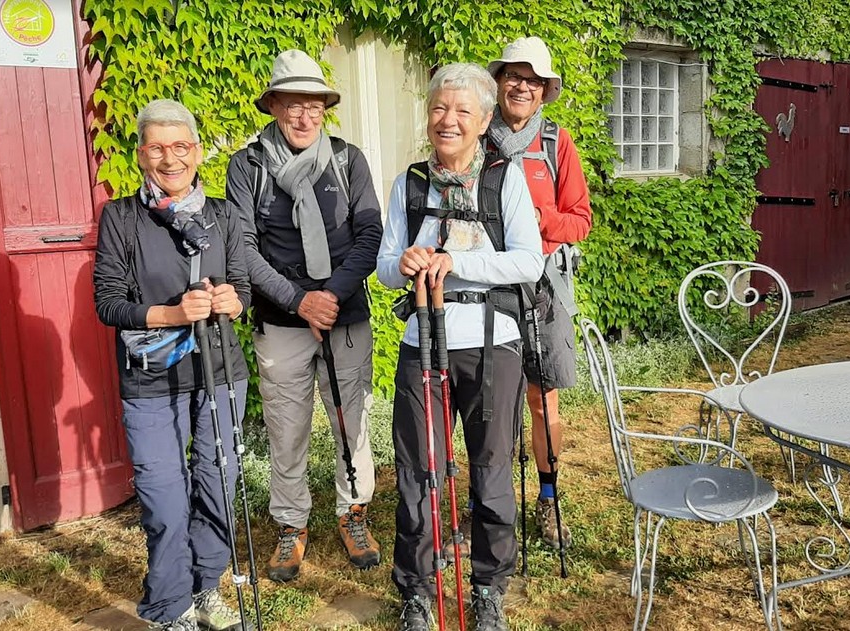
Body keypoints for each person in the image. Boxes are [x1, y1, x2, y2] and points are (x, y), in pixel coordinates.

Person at [377, 62, 543, 631]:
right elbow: (383, 265)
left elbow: (528, 259)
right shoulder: (410, 182)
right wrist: (402, 265)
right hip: (421, 341)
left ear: (484, 121)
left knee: (491, 468)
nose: (447, 121)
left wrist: (458, 262)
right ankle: (417, 592)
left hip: (492, 343)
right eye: (439, 110)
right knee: (417, 470)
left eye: (461, 112)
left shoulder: (504, 179)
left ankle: (488, 587)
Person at [226, 49, 383, 583]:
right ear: (273, 106)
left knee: (350, 422)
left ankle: (352, 510)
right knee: (286, 428)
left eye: (312, 105)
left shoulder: (348, 159)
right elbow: (242, 247)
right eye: (291, 104)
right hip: (282, 321)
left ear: (324, 108)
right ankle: (291, 523)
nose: (303, 116)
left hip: (344, 315)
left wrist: (330, 295)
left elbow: (369, 236)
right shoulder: (247, 167)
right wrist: (298, 300)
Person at [94, 99, 251, 631]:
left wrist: (234, 301)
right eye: (157, 148)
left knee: (219, 484)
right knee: (163, 498)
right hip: (151, 378)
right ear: (141, 155)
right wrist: (171, 313)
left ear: (198, 152)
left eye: (180, 146)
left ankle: (206, 588)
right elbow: (108, 303)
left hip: (219, 372)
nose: (170, 159)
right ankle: (169, 607)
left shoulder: (224, 215)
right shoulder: (121, 217)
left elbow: (244, 287)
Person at [485, 36, 592, 551]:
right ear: (499, 82)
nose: (521, 86)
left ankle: (548, 499)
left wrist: (532, 219)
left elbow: (580, 221)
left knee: (542, 399)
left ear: (545, 90)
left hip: (544, 285)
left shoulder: (556, 143)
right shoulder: (475, 139)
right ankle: (493, 501)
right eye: (513, 76)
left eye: (532, 80)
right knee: (490, 402)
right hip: (487, 285)